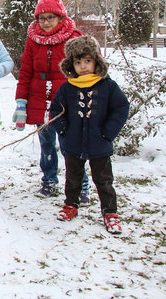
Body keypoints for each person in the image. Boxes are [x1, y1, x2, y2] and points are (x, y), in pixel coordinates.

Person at [13, 0, 90, 200]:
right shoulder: (33, 39)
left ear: (60, 16)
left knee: (71, 146)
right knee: (46, 144)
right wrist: (21, 101)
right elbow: (26, 71)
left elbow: (88, 69)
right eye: (42, 18)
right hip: (40, 99)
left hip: (67, 100)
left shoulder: (75, 38)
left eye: (51, 17)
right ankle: (49, 180)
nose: (46, 22)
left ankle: (80, 185)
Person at [51, 36, 129, 234]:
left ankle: (110, 212)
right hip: (74, 144)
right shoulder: (67, 88)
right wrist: (65, 131)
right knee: (73, 177)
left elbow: (121, 107)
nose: (83, 66)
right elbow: (56, 111)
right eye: (78, 62)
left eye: (87, 61)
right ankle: (71, 204)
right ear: (71, 65)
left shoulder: (107, 86)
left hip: (99, 143)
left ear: (96, 61)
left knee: (103, 179)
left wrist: (108, 133)